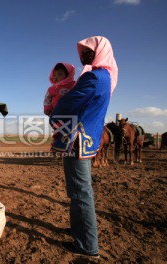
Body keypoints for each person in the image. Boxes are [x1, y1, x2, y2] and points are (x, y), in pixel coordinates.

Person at [49, 36, 118, 258]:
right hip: (83, 139)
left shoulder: (94, 78)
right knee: (77, 191)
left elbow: (68, 104)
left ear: (101, 52)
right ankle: (79, 230)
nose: (85, 55)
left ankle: (87, 246)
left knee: (81, 193)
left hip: (77, 139)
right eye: (84, 52)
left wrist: (54, 112)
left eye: (90, 51)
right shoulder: (105, 77)